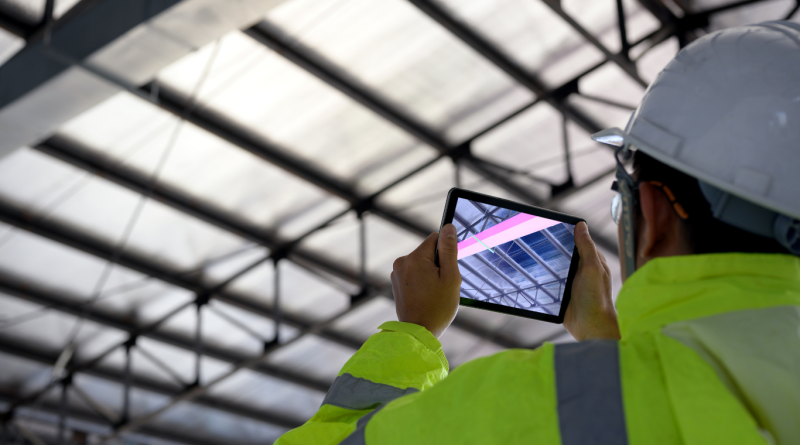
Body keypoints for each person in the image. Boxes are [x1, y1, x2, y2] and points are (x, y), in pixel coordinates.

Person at [276, 21, 800, 445]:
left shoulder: (546, 401)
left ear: (656, 216)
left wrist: (413, 334)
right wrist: (607, 344)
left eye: (622, 200)